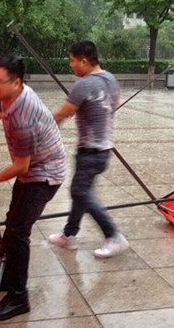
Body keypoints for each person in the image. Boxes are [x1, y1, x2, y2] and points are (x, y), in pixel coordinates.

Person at [0, 54, 66, 322]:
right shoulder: (8, 96)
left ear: (16, 83)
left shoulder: (23, 116)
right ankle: (3, 275)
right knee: (13, 222)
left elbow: (21, 166)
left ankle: (19, 296)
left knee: (18, 231)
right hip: (33, 168)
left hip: (45, 173)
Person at [48, 40, 129, 258]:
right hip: (104, 149)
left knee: (79, 191)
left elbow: (62, 114)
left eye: (72, 60)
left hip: (90, 151)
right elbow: (114, 104)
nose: (71, 65)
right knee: (81, 193)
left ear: (84, 61)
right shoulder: (110, 79)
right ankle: (69, 235)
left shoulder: (83, 85)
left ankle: (113, 235)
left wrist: (39, 132)